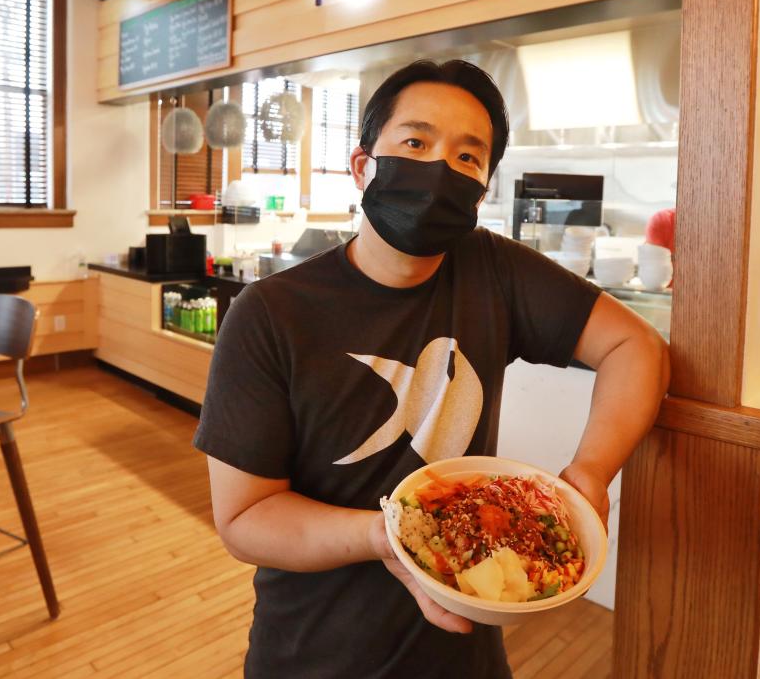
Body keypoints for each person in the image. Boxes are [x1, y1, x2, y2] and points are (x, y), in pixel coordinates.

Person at [193, 59, 670, 678]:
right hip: (313, 652)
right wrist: (389, 537)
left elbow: (637, 347)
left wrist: (589, 473)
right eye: (416, 142)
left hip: (465, 650)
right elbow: (245, 520)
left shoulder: (494, 272)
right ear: (364, 165)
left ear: (482, 189)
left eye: (468, 158)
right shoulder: (269, 314)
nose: (440, 169)